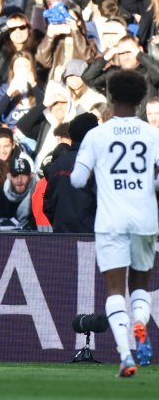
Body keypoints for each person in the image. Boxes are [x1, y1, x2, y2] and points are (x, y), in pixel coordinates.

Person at [70, 71, 159, 377]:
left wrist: (101, 173)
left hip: (110, 221)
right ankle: (139, 325)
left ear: (109, 96)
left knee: (114, 290)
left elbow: (77, 179)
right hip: (145, 220)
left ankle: (125, 354)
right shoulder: (153, 135)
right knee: (140, 289)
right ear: (141, 99)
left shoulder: (97, 135)